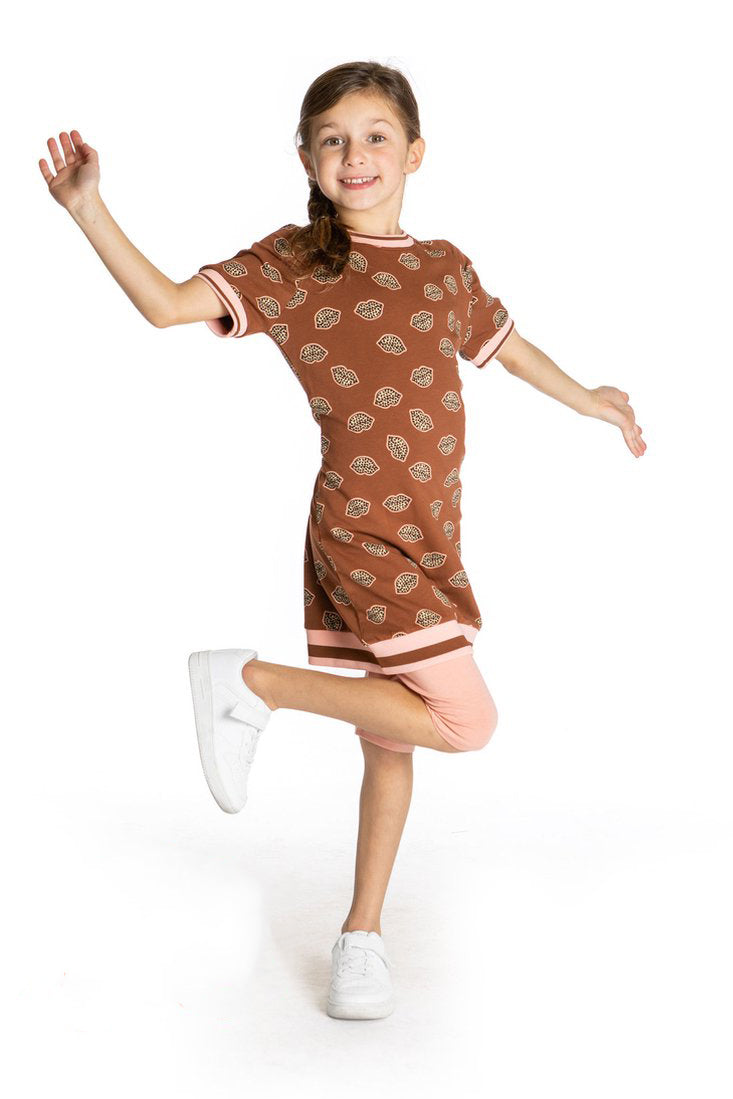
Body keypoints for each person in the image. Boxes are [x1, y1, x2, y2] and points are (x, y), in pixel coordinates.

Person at [38, 60, 646, 1022]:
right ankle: (252, 683)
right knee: (465, 721)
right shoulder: (295, 263)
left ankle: (361, 935)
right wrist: (88, 208)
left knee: (391, 742)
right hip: (361, 531)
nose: (353, 154)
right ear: (306, 159)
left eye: (373, 135)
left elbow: (508, 347)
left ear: (414, 151)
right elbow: (165, 303)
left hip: (431, 535)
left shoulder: (444, 267)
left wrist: (588, 399)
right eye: (332, 139)